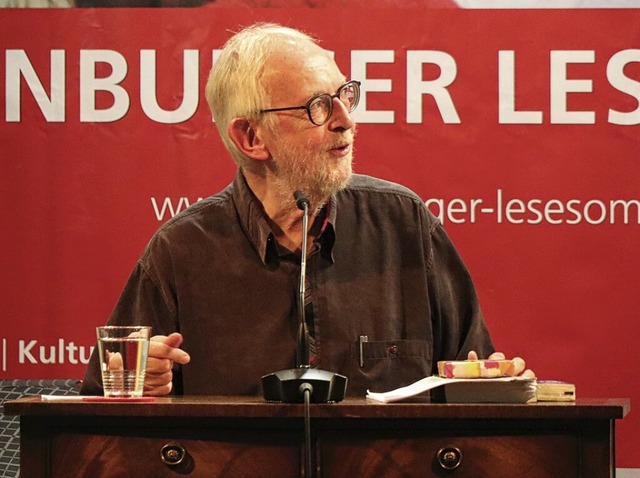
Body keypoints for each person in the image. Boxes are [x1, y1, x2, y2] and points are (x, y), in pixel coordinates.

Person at [81, 22, 531, 398]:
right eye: (318, 106)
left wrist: (499, 383)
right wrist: (141, 384)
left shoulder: (405, 225)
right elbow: (99, 413)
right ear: (251, 138)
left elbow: (476, 381)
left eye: (345, 96)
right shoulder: (181, 252)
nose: (346, 121)